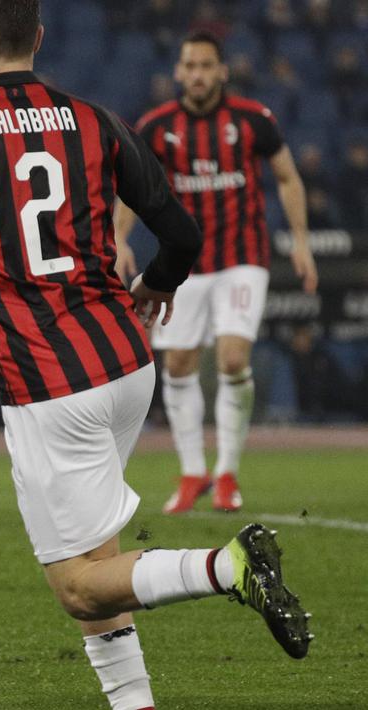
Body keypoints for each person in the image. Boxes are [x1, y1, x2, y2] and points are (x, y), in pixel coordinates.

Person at [0, 3, 312, 709]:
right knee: (101, 559)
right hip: (126, 362)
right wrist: (154, 286)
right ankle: (134, 703)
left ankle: (225, 566)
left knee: (75, 584)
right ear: (36, 37)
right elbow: (180, 234)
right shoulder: (93, 120)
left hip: (49, 383)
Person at [113, 30, 319, 514]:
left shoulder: (253, 120)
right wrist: (119, 238)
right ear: (179, 72)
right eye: (190, 65)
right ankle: (191, 473)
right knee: (179, 364)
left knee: (230, 359)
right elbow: (131, 186)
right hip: (184, 266)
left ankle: (226, 472)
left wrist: (303, 242)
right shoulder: (157, 125)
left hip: (242, 259)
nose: (198, 74)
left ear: (222, 71)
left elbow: (288, 176)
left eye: (207, 65)